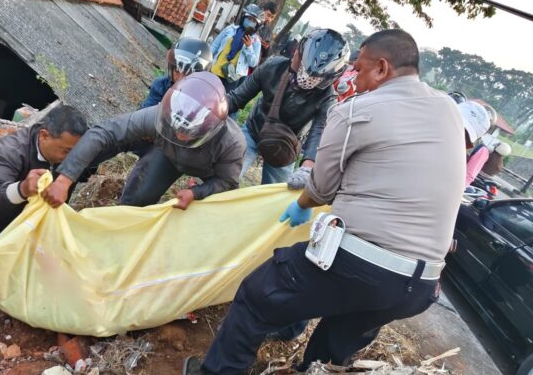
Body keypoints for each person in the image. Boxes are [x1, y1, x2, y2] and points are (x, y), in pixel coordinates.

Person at [182, 29, 465, 374]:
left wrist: (302, 201)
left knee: (258, 295)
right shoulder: (449, 110)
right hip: (420, 287)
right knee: (332, 348)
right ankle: (305, 353)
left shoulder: (355, 110)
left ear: (381, 68)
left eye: (358, 70)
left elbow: (321, 189)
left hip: (360, 264)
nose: (354, 80)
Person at [0, 105, 91, 326]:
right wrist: (21, 189)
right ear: (44, 135)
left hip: (39, 226)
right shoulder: (12, 150)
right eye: (66, 151)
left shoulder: (71, 153)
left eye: (75, 152)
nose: (71, 158)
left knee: (56, 276)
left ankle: (6, 313)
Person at [41, 72, 246, 211]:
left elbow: (227, 182)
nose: (181, 136)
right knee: (137, 201)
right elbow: (106, 131)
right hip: (168, 156)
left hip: (207, 172)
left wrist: (196, 192)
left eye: (189, 134)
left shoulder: (232, 144)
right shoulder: (157, 115)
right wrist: (65, 178)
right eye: (176, 130)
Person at [230, 29, 349, 184]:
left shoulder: (327, 97)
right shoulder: (273, 67)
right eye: (303, 69)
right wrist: (210, 109)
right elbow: (237, 97)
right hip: (254, 130)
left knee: (277, 198)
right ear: (297, 54)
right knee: (228, 175)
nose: (306, 78)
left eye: (315, 77)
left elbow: (319, 131)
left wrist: (308, 165)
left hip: (285, 145)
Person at [210, 3, 263, 117]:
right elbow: (215, 46)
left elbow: (253, 63)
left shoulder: (256, 42)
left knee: (223, 105)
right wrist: (208, 60)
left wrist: (248, 47)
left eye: (254, 20)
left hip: (232, 77)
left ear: (257, 24)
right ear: (243, 17)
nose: (251, 22)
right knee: (208, 96)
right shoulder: (230, 29)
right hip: (216, 70)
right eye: (249, 18)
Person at [141, 37, 213, 109]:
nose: (180, 78)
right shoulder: (161, 85)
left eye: (187, 74)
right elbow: (145, 111)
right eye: (177, 71)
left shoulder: (205, 98)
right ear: (171, 68)